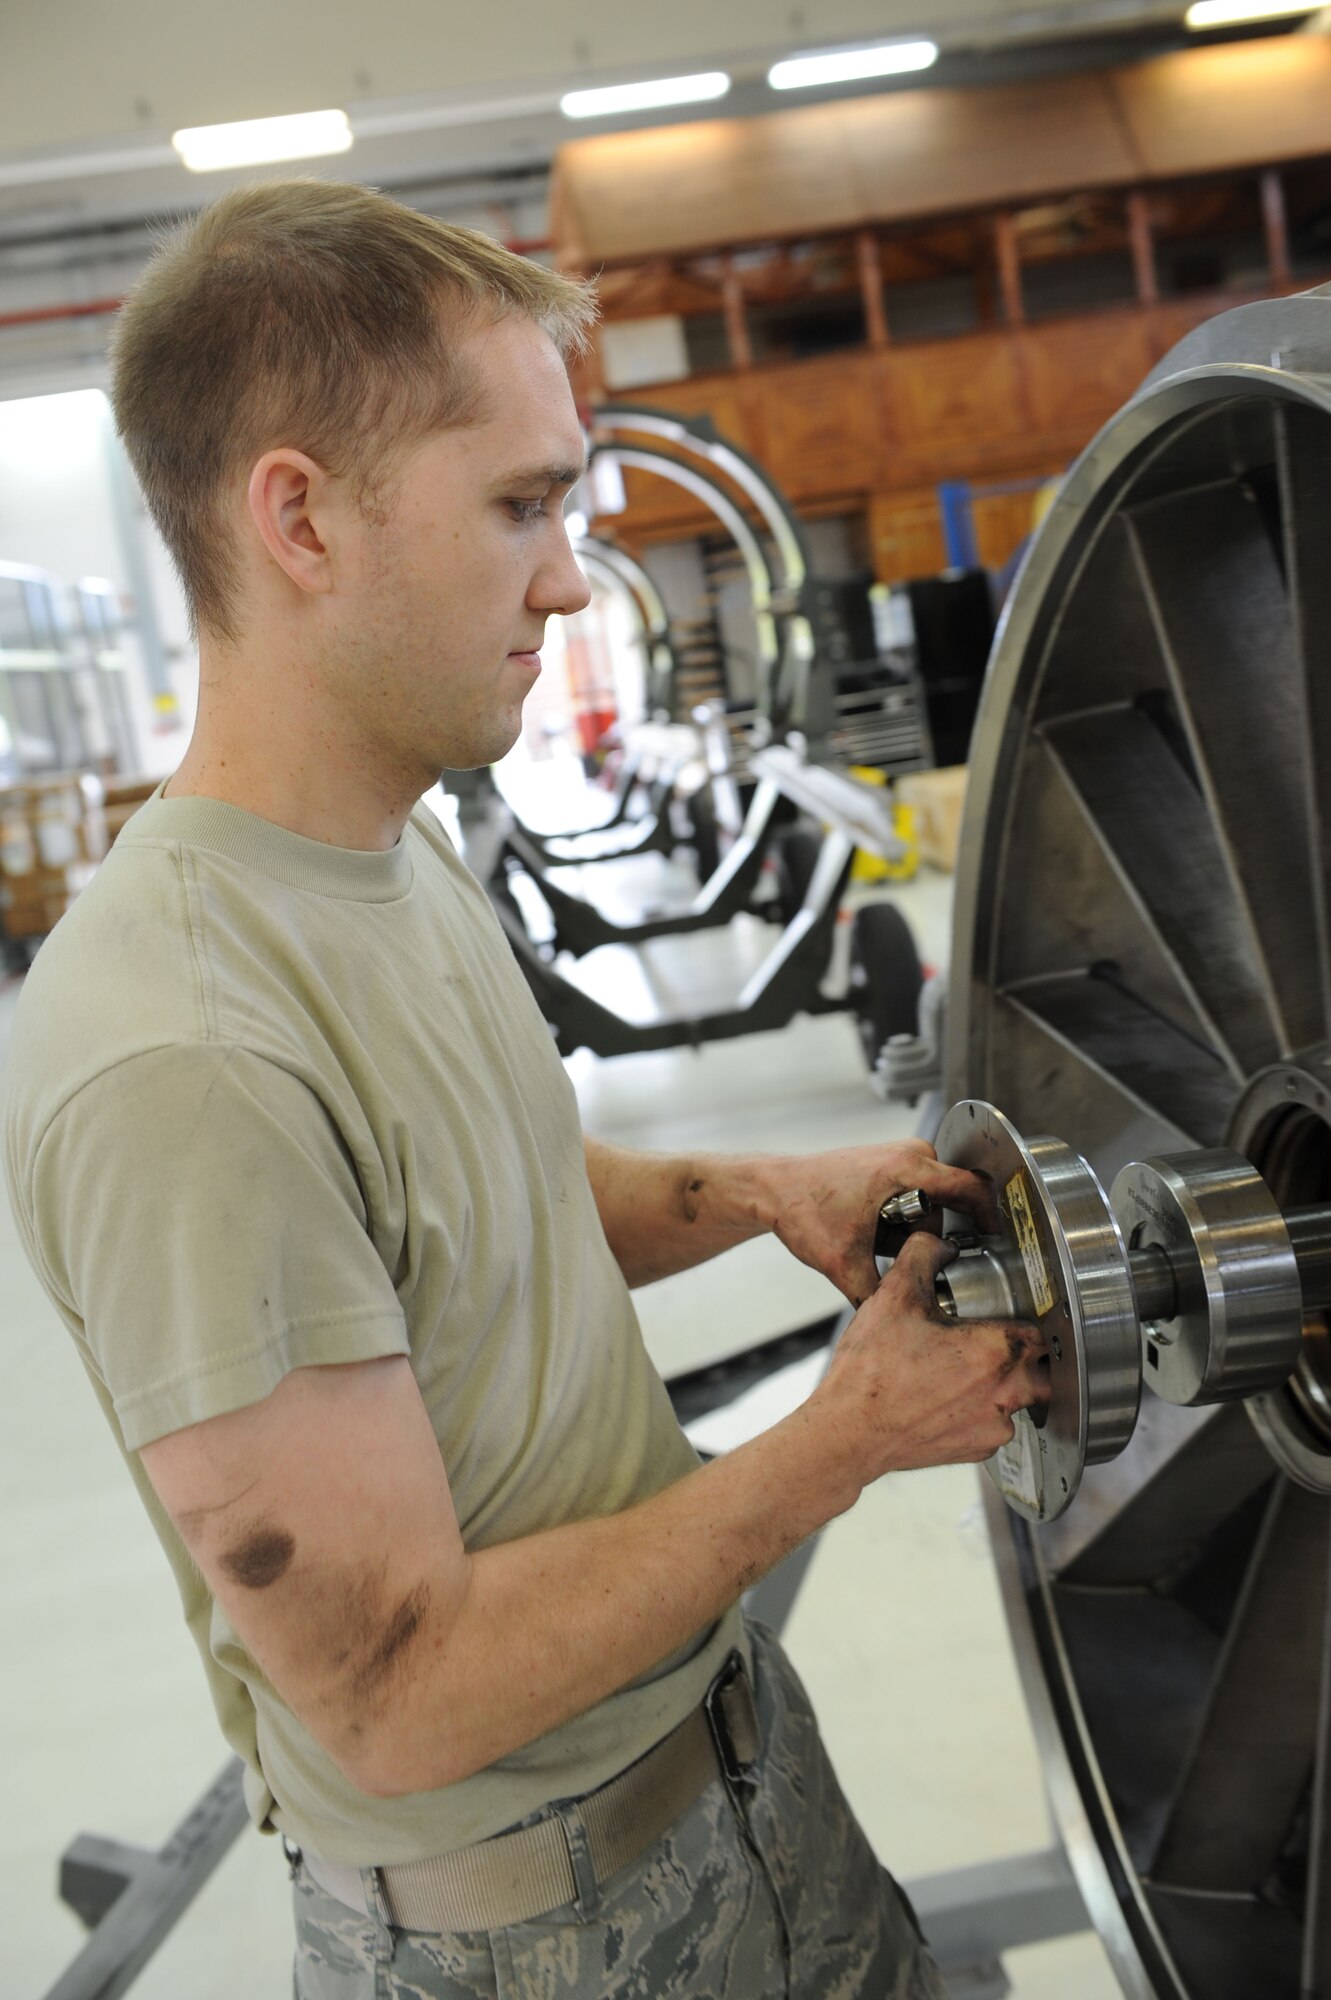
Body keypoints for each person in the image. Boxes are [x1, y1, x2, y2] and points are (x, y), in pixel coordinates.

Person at [3, 181, 1047, 2000]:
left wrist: (751, 1195)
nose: (568, 575)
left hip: (740, 1772)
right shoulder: (179, 1051)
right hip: (542, 1934)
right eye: (518, 505)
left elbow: (502, 1192)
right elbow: (396, 1691)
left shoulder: (391, 854)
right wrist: (842, 1440)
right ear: (299, 517)